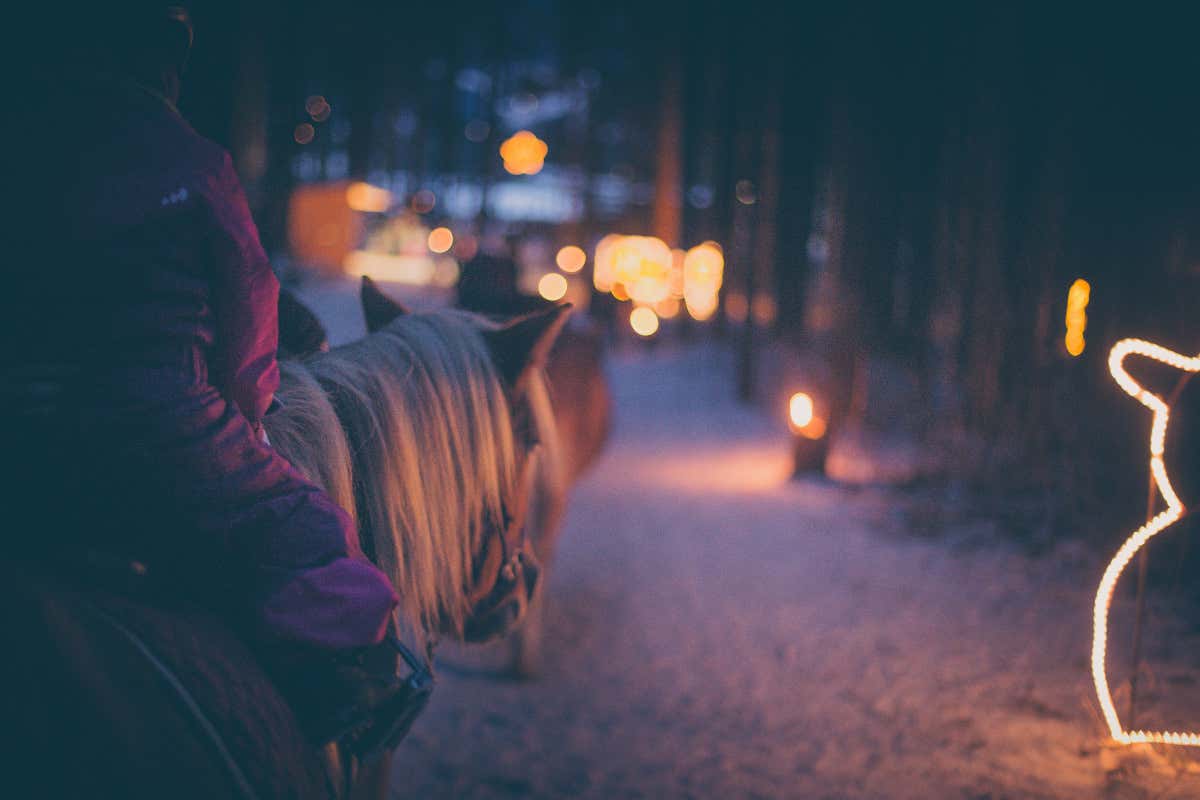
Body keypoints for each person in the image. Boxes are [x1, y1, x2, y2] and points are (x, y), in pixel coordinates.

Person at [8, 6, 402, 744]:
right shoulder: (194, 162)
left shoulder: (23, 141)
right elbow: (251, 322)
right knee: (309, 529)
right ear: (163, 65)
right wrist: (247, 417)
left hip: (22, 410)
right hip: (159, 422)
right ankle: (336, 699)